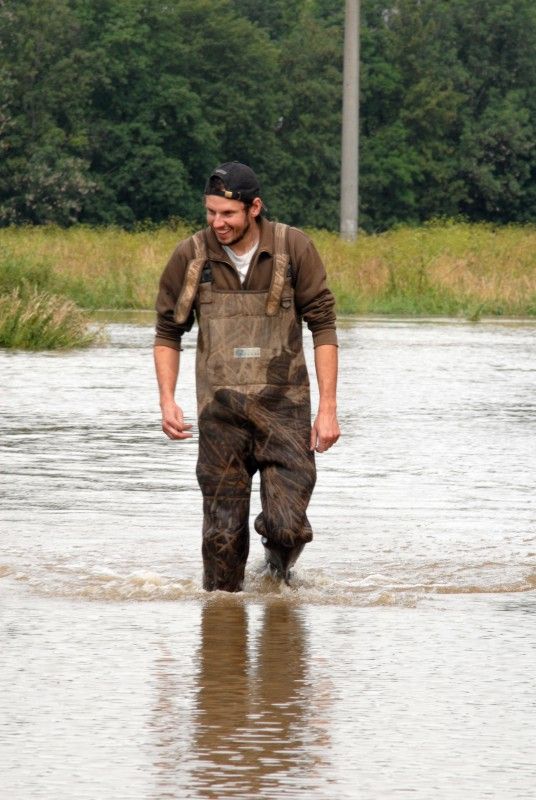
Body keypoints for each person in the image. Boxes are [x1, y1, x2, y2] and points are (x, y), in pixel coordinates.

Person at [153, 161, 340, 592]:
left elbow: (324, 326)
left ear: (254, 208)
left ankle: (275, 573)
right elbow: (167, 333)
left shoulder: (294, 247)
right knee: (222, 547)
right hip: (220, 417)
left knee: (287, 527)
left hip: (285, 412)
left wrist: (328, 408)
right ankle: (223, 626)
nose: (217, 223)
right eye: (210, 212)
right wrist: (167, 400)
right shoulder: (190, 255)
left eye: (228, 214)